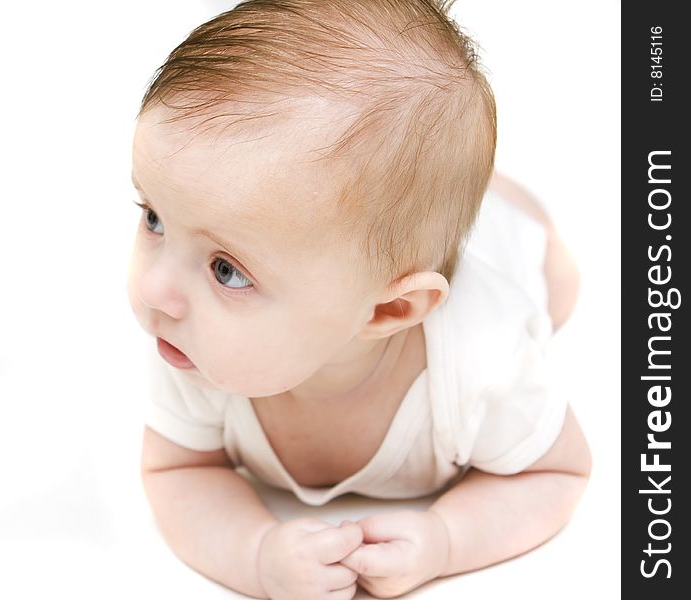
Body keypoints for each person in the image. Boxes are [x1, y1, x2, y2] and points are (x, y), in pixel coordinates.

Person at [126, 1, 591, 598]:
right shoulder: (195, 341)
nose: (154, 289)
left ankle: (495, 200)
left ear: (388, 311)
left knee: (557, 283)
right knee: (388, 212)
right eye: (155, 218)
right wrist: (256, 554)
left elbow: (558, 471)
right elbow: (175, 472)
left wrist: (447, 539)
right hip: (375, 246)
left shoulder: (485, 359)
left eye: (226, 270)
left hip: (511, 246)